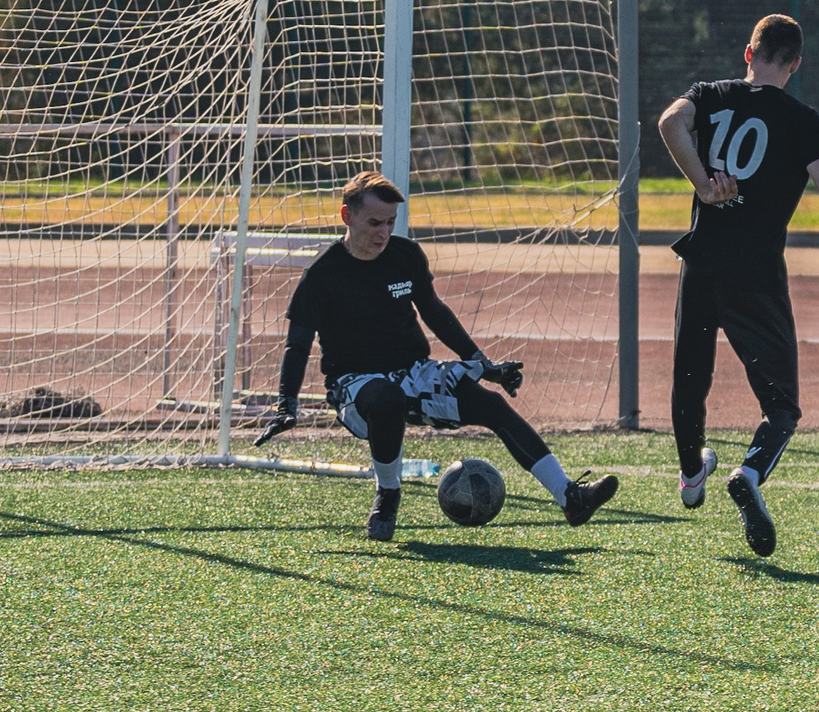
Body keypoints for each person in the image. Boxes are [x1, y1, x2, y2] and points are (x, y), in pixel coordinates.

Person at [656, 14, 819, 556]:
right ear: (795, 64)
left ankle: (690, 477)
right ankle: (749, 473)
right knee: (782, 407)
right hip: (755, 272)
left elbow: (668, 124)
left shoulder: (712, 94)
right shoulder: (802, 120)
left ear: (747, 53)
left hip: (703, 260)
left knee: (690, 377)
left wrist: (704, 185)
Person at [260, 171, 617, 542]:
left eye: (390, 223)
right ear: (346, 216)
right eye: (374, 223)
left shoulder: (404, 255)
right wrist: (286, 403)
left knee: (490, 405)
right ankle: (388, 493)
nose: (383, 233)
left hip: (414, 372)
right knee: (386, 398)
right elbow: (296, 344)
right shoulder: (322, 274)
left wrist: (483, 365)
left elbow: (435, 313)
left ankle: (570, 497)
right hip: (354, 384)